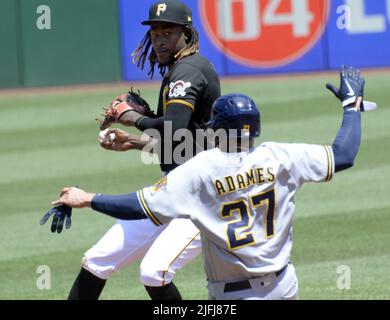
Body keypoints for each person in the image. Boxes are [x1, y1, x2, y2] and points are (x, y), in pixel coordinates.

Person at [48, 66, 368, 299]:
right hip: (284, 287)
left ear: (215, 129)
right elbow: (343, 154)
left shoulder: (200, 171)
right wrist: (351, 107)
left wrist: (87, 197)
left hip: (232, 297)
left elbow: (138, 205)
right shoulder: (281, 157)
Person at [66, 0, 219, 300]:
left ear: (187, 34)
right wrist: (133, 142)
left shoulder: (188, 70)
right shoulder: (180, 69)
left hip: (199, 198)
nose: (159, 39)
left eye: (168, 32)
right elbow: (185, 142)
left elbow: (174, 129)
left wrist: (133, 118)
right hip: (173, 189)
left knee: (154, 272)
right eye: (155, 32)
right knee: (97, 260)